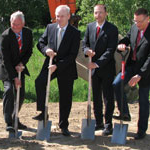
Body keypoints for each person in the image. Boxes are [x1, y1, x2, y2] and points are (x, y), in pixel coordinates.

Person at [33, 5, 80, 136]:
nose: (59, 19)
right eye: (57, 16)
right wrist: (46, 50)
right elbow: (40, 42)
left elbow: (72, 55)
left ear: (69, 16)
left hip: (66, 67)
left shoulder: (75, 33)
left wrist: (58, 66)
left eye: (62, 16)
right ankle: (43, 112)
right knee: (40, 82)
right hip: (50, 63)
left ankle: (63, 124)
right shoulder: (50, 27)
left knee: (65, 96)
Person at [113, 8, 150, 140]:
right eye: (135, 21)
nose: (137, 24)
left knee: (144, 100)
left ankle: (141, 130)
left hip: (146, 70)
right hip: (131, 66)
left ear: (148, 19)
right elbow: (127, 38)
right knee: (117, 84)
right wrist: (122, 44)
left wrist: (140, 75)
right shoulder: (134, 28)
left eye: (140, 22)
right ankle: (124, 113)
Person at [82, 4, 118, 136]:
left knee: (108, 97)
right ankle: (98, 122)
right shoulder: (90, 27)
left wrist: (97, 64)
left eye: (101, 13)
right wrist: (87, 51)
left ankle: (108, 124)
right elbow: (84, 43)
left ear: (106, 13)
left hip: (106, 68)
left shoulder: (112, 29)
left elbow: (110, 50)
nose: (98, 15)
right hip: (94, 70)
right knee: (95, 96)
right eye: (96, 13)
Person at [0, 11, 33, 132]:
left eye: (18, 24)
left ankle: (15, 117)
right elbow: (5, 60)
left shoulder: (28, 33)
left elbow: (29, 51)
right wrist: (14, 78)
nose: (15, 26)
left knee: (21, 94)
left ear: (23, 23)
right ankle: (9, 122)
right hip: (6, 68)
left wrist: (22, 63)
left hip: (19, 67)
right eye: (13, 23)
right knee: (9, 90)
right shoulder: (6, 36)